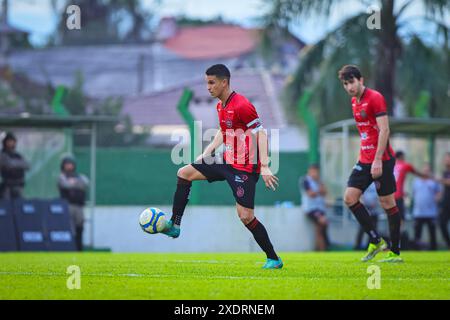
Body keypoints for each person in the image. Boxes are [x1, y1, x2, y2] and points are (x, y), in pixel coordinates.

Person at [161, 64, 283, 269]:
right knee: (183, 173)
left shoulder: (243, 105)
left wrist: (264, 166)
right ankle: (175, 225)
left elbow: (261, 133)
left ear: (224, 82)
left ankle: (273, 258)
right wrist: (207, 152)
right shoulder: (220, 105)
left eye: (212, 83)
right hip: (225, 160)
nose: (208, 87)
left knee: (245, 216)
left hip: (244, 168)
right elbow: (223, 131)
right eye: (206, 83)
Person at [338, 65, 402, 263]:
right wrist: (364, 156)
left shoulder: (375, 98)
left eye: (351, 82)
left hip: (381, 159)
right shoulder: (354, 102)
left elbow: (384, 130)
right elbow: (367, 133)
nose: (349, 87)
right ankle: (376, 240)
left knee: (387, 203)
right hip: (364, 160)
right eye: (345, 84)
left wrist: (377, 160)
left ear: (361, 80)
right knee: (350, 197)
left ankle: (395, 252)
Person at [58, 156, 89, 251]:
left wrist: (73, 182)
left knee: (80, 227)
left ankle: (79, 248)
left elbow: (85, 184)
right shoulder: (62, 176)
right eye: (67, 164)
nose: (69, 166)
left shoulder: (80, 176)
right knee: (70, 229)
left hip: (79, 206)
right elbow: (65, 185)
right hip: (68, 205)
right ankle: (69, 248)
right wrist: (75, 184)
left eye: (71, 164)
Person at [300, 164, 330, 251]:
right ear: (309, 171)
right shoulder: (305, 180)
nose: (315, 173)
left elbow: (325, 192)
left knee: (319, 229)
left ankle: (318, 249)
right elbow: (311, 194)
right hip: (311, 209)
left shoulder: (319, 181)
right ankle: (324, 247)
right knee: (323, 222)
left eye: (316, 171)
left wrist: (320, 188)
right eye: (313, 171)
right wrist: (319, 191)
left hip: (320, 208)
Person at [411, 163, 440, 250]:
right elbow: (414, 193)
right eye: (424, 170)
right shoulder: (416, 182)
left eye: (427, 170)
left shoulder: (433, 182)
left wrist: (437, 198)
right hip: (418, 212)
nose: (426, 172)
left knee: (432, 233)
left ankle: (433, 249)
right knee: (417, 233)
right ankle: (416, 250)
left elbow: (439, 193)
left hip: (431, 212)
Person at [394, 150, 429, 221]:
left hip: (389, 195)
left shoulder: (392, 165)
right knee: (401, 217)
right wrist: (427, 176)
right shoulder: (405, 165)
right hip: (398, 195)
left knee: (392, 216)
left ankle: (393, 231)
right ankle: (399, 231)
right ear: (402, 156)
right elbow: (417, 173)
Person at [0, 132, 29, 200]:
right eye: (9, 141)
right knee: (6, 205)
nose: (11, 143)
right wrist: (18, 164)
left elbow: (27, 165)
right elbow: (7, 164)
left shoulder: (17, 155)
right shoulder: (2, 154)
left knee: (20, 204)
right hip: (7, 186)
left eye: (12, 141)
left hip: (18, 185)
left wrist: (16, 164)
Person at [354, 182, 382, 250]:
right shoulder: (365, 181)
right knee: (362, 229)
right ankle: (357, 246)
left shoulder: (378, 183)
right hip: (365, 210)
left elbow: (380, 195)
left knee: (373, 229)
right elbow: (360, 194)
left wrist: (375, 202)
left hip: (375, 211)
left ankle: (369, 246)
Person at [438, 152, 450, 248]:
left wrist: (441, 180)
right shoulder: (445, 172)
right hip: (446, 202)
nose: (445, 160)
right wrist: (440, 195)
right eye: (445, 159)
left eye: (447, 158)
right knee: (442, 223)